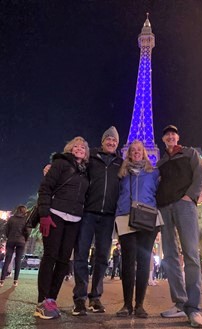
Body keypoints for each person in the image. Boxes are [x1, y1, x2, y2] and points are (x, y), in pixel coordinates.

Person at [156, 125, 202, 328]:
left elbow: (199, 176)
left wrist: (189, 197)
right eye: (167, 134)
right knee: (169, 256)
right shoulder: (160, 162)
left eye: (173, 134)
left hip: (184, 206)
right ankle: (180, 303)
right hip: (164, 208)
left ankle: (194, 309)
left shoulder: (189, 153)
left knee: (191, 254)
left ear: (177, 137)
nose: (170, 136)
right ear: (163, 139)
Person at [34, 136, 89, 320]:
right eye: (76, 146)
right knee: (50, 257)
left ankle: (51, 299)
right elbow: (46, 188)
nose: (79, 148)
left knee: (64, 261)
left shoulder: (85, 171)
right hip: (55, 215)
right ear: (70, 148)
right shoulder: (60, 163)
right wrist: (44, 214)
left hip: (74, 220)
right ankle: (41, 302)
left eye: (83, 146)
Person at [72, 127, 123, 316]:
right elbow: (73, 162)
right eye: (108, 139)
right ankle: (79, 299)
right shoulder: (90, 157)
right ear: (102, 141)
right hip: (88, 213)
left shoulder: (121, 163)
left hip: (109, 216)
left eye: (114, 141)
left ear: (117, 144)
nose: (111, 142)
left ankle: (95, 297)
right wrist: (52, 166)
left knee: (102, 257)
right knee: (81, 255)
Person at [115, 140, 160, 318]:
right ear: (128, 153)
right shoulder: (121, 173)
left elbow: (163, 192)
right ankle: (127, 305)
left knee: (143, 263)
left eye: (139, 150)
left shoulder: (153, 173)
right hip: (125, 217)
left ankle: (139, 304)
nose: (136, 152)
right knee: (127, 262)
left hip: (146, 219)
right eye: (133, 150)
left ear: (144, 152)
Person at [0, 205, 29, 287]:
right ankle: (15, 281)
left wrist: (9, 236)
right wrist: (25, 239)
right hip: (21, 241)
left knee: (7, 260)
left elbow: (6, 229)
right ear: (24, 211)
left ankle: (1, 280)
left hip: (11, 240)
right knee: (18, 261)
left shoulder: (11, 219)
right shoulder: (25, 220)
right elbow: (27, 231)